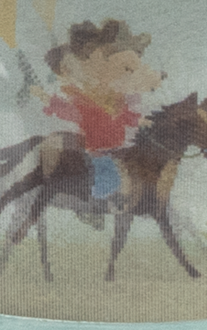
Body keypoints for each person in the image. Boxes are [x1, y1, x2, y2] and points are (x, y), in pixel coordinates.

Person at [29, 19, 165, 199]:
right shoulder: (81, 96)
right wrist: (45, 97)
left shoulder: (112, 94)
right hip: (99, 148)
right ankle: (94, 201)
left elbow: (123, 114)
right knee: (109, 180)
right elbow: (70, 111)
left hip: (118, 145)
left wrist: (139, 120)